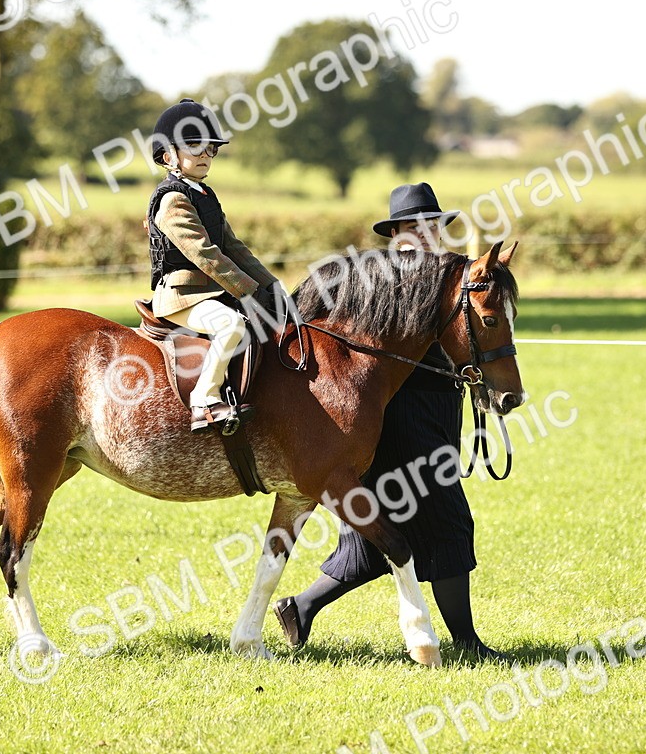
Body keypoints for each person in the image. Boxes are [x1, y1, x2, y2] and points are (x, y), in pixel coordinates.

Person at [273, 182, 502, 661]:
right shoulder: (377, 279)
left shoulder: (450, 276)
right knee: (447, 521)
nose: (425, 233)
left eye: (432, 225)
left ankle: (300, 607)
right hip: (400, 418)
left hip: (438, 411)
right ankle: (467, 643)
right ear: (395, 233)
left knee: (374, 534)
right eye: (413, 227)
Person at [146, 98, 283, 432]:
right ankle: (204, 401)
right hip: (181, 297)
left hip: (210, 293)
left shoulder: (204, 195)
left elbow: (234, 248)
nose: (206, 154)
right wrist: (249, 291)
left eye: (212, 148)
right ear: (168, 155)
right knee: (230, 325)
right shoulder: (172, 200)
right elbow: (206, 255)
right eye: (195, 146)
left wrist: (271, 285)